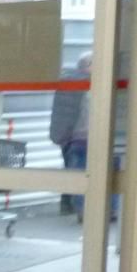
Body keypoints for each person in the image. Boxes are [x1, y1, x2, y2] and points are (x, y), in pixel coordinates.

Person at [49, 52, 92, 217]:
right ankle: (79, 208)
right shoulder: (81, 85)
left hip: (68, 136)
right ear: (86, 66)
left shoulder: (69, 82)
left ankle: (68, 205)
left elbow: (61, 112)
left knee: (71, 169)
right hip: (78, 136)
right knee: (77, 171)